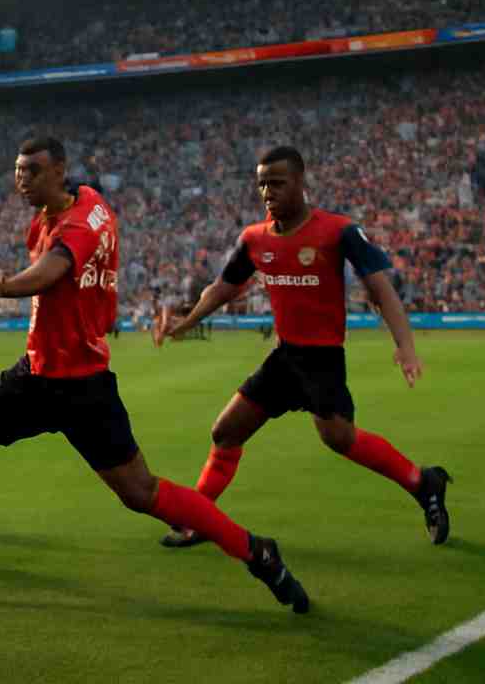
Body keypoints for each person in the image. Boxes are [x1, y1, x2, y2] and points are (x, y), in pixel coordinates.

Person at [0, 137, 310, 614]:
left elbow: (49, 273)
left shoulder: (80, 221)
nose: (22, 179)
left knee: (141, 493)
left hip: (81, 386)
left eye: (33, 170)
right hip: (35, 375)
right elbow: (48, 280)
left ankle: (257, 551)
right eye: (18, 170)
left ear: (59, 171)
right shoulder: (68, 211)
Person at [153, 145, 452, 548]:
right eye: (262, 184)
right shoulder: (254, 239)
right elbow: (223, 287)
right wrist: (186, 322)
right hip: (284, 359)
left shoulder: (338, 231)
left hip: (322, 360)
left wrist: (405, 345)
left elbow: (381, 290)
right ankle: (197, 520)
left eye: (277, 183)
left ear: (300, 182)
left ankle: (422, 482)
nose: (268, 192)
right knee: (225, 432)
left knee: (339, 438)